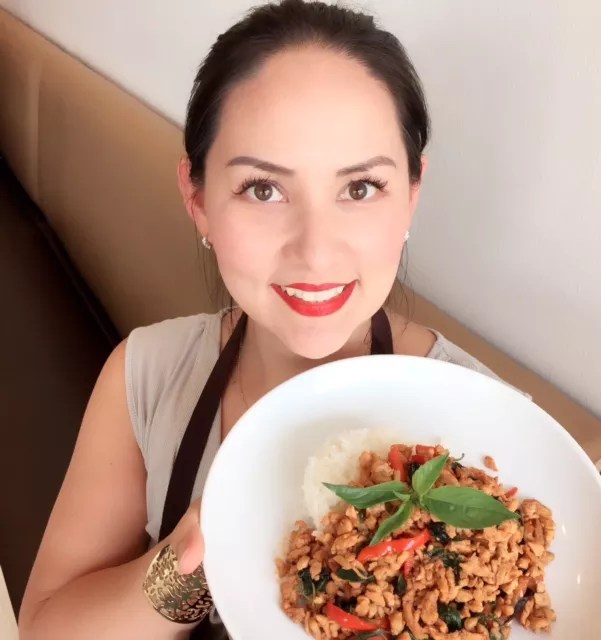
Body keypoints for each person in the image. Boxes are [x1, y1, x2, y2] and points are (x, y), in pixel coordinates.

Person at [18, 1, 506, 638]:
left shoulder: (489, 431)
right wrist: (191, 559)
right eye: (263, 189)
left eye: (360, 188)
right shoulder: (147, 373)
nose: (315, 252)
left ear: (411, 194)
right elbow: (46, 627)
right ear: (197, 198)